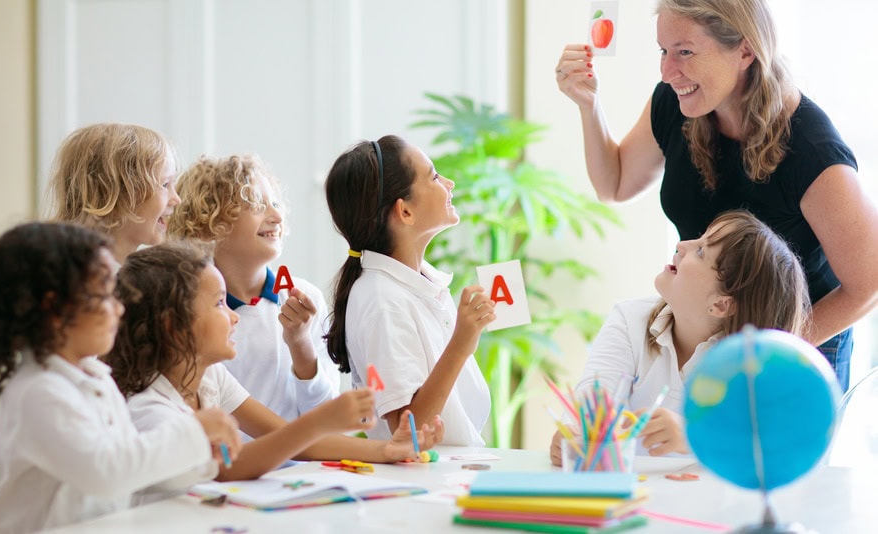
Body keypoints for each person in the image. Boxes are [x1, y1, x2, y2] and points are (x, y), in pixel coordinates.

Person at [553, 0, 878, 391]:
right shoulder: (675, 104)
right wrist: (589, 106)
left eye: (685, 52)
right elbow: (616, 183)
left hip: (794, 351)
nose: (667, 71)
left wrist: (765, 353)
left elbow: (868, 284)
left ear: (744, 50)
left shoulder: (811, 151)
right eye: (663, 51)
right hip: (709, 340)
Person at [0, 222, 241, 534]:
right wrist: (193, 431)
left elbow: (133, 471)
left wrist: (198, 461)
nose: (118, 309)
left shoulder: (97, 380)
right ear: (55, 309)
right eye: (104, 296)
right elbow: (106, 472)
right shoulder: (38, 392)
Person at [105, 241, 444, 489]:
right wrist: (320, 421)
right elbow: (227, 468)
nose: (233, 317)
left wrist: (386, 450)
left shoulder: (210, 378)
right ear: (172, 326)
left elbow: (288, 438)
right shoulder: (149, 408)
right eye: (219, 303)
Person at [550, 210, 809, 465]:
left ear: (720, 305)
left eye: (700, 251)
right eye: (699, 239)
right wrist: (574, 434)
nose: (682, 244)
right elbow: (592, 402)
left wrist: (695, 437)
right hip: (632, 496)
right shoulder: (630, 320)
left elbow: (776, 452)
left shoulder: (751, 365)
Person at [324, 135, 496, 446]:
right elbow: (409, 432)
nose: (450, 183)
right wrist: (461, 343)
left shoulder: (415, 286)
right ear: (405, 212)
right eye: (433, 176)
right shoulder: (381, 299)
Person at [168, 154, 339, 422]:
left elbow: (326, 419)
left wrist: (301, 344)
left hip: (302, 464)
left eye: (275, 203)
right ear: (211, 223)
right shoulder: (186, 310)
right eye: (258, 205)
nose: (277, 215)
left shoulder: (305, 300)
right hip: (224, 463)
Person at [45, 122, 182, 265]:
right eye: (165, 184)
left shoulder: (134, 278)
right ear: (115, 196)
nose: (177, 199)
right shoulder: (84, 283)